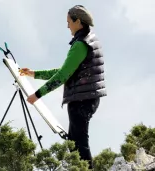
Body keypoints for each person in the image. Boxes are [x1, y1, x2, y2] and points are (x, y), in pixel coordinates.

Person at [19, 5, 106, 169]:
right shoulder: (90, 39)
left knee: (79, 143)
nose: (67, 26)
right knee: (74, 143)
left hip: (82, 101)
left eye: (69, 22)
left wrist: (37, 95)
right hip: (88, 98)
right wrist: (34, 73)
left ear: (78, 21)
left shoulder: (81, 44)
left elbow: (62, 76)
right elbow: (65, 71)